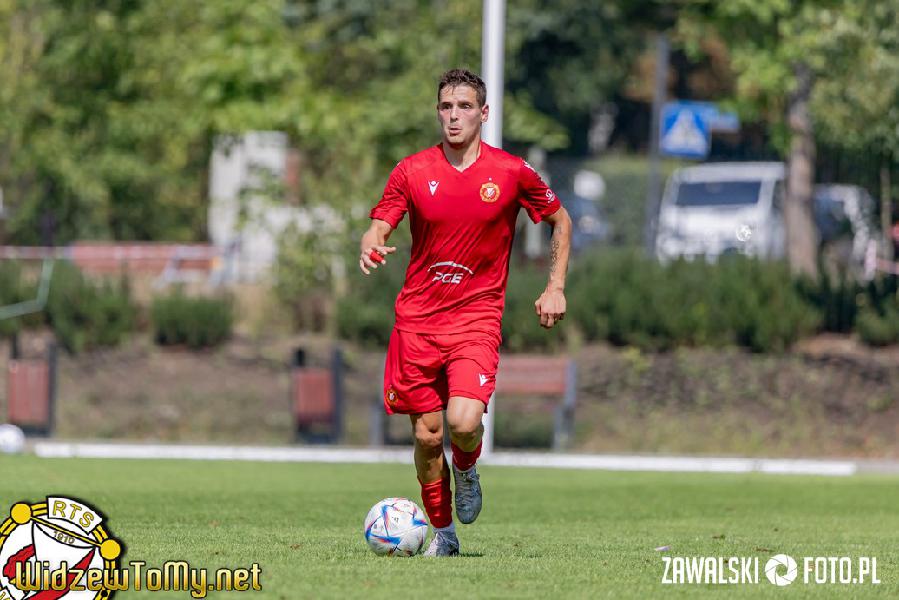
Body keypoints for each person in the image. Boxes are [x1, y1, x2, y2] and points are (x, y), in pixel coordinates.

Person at [358, 68, 571, 556]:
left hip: (476, 318)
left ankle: (468, 468)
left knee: (462, 422)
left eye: (464, 107)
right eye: (446, 107)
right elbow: (380, 224)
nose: (454, 116)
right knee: (428, 436)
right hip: (417, 322)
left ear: (484, 113)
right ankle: (444, 534)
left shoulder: (511, 172)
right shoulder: (412, 170)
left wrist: (555, 286)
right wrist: (371, 242)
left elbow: (561, 219)